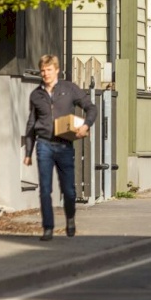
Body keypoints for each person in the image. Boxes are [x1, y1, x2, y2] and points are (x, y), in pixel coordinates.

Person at [23, 54, 97, 241]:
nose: (45, 74)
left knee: (69, 190)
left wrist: (86, 125)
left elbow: (91, 107)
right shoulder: (36, 95)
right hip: (44, 145)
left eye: (49, 70)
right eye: (43, 71)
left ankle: (70, 218)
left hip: (64, 145)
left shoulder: (69, 89)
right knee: (45, 189)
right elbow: (31, 123)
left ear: (56, 70)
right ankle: (48, 228)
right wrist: (28, 152)